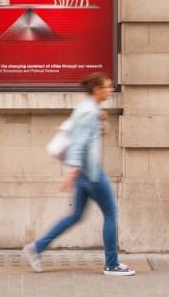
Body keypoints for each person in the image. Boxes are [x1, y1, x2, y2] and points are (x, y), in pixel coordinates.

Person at [23, 72, 135, 276]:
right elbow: (79, 143)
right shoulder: (88, 111)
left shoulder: (90, 109)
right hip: (91, 172)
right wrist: (72, 171)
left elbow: (88, 137)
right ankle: (112, 264)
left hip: (83, 173)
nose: (110, 91)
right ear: (97, 90)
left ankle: (37, 247)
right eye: (107, 87)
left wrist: (102, 120)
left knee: (75, 216)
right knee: (111, 214)